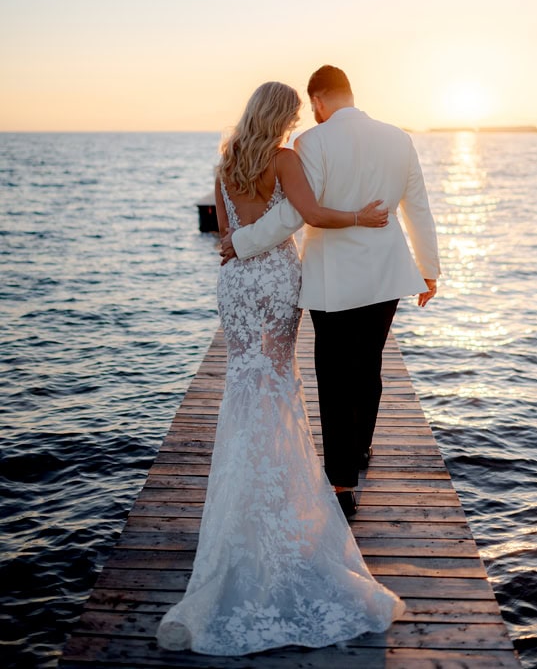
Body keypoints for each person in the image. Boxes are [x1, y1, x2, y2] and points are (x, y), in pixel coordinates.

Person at [156, 81, 404, 656]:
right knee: (278, 383)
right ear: (283, 115)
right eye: (293, 113)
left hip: (237, 283)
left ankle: (240, 509)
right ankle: (282, 501)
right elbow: (310, 214)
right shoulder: (283, 157)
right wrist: (361, 219)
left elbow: (226, 235)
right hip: (274, 280)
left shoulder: (227, 161)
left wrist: (241, 242)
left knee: (245, 382)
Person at [223, 65, 440, 520]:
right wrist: (429, 269)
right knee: (369, 368)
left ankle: (342, 484)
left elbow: (298, 215)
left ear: (319, 99)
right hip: (386, 275)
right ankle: (359, 451)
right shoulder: (399, 138)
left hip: (332, 281)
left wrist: (241, 243)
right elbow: (416, 206)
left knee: (335, 378)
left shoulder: (311, 144)